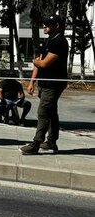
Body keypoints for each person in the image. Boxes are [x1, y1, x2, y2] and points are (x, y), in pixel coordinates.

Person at [20, 15, 69, 155]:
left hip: (53, 84)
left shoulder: (59, 42)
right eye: (44, 24)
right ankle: (51, 142)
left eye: (48, 24)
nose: (44, 26)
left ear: (57, 26)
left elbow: (43, 63)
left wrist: (35, 61)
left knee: (43, 112)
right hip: (44, 83)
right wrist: (32, 82)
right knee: (51, 112)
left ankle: (36, 144)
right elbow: (39, 63)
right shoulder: (49, 41)